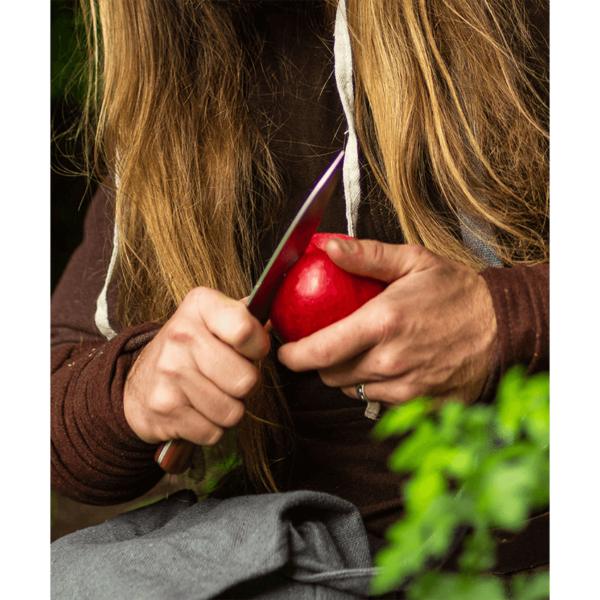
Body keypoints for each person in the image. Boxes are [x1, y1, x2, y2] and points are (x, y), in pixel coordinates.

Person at [50, 0, 550, 596]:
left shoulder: (506, 18)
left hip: (514, 542)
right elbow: (62, 391)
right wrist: (135, 393)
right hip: (310, 538)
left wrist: (507, 317)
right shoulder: (177, 90)